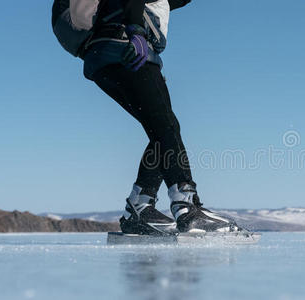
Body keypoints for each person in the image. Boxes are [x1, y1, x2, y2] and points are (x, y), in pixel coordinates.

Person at [81, 0, 242, 234]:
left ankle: (139, 208)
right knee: (166, 128)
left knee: (161, 129)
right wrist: (135, 30)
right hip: (127, 49)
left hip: (101, 60)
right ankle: (186, 207)